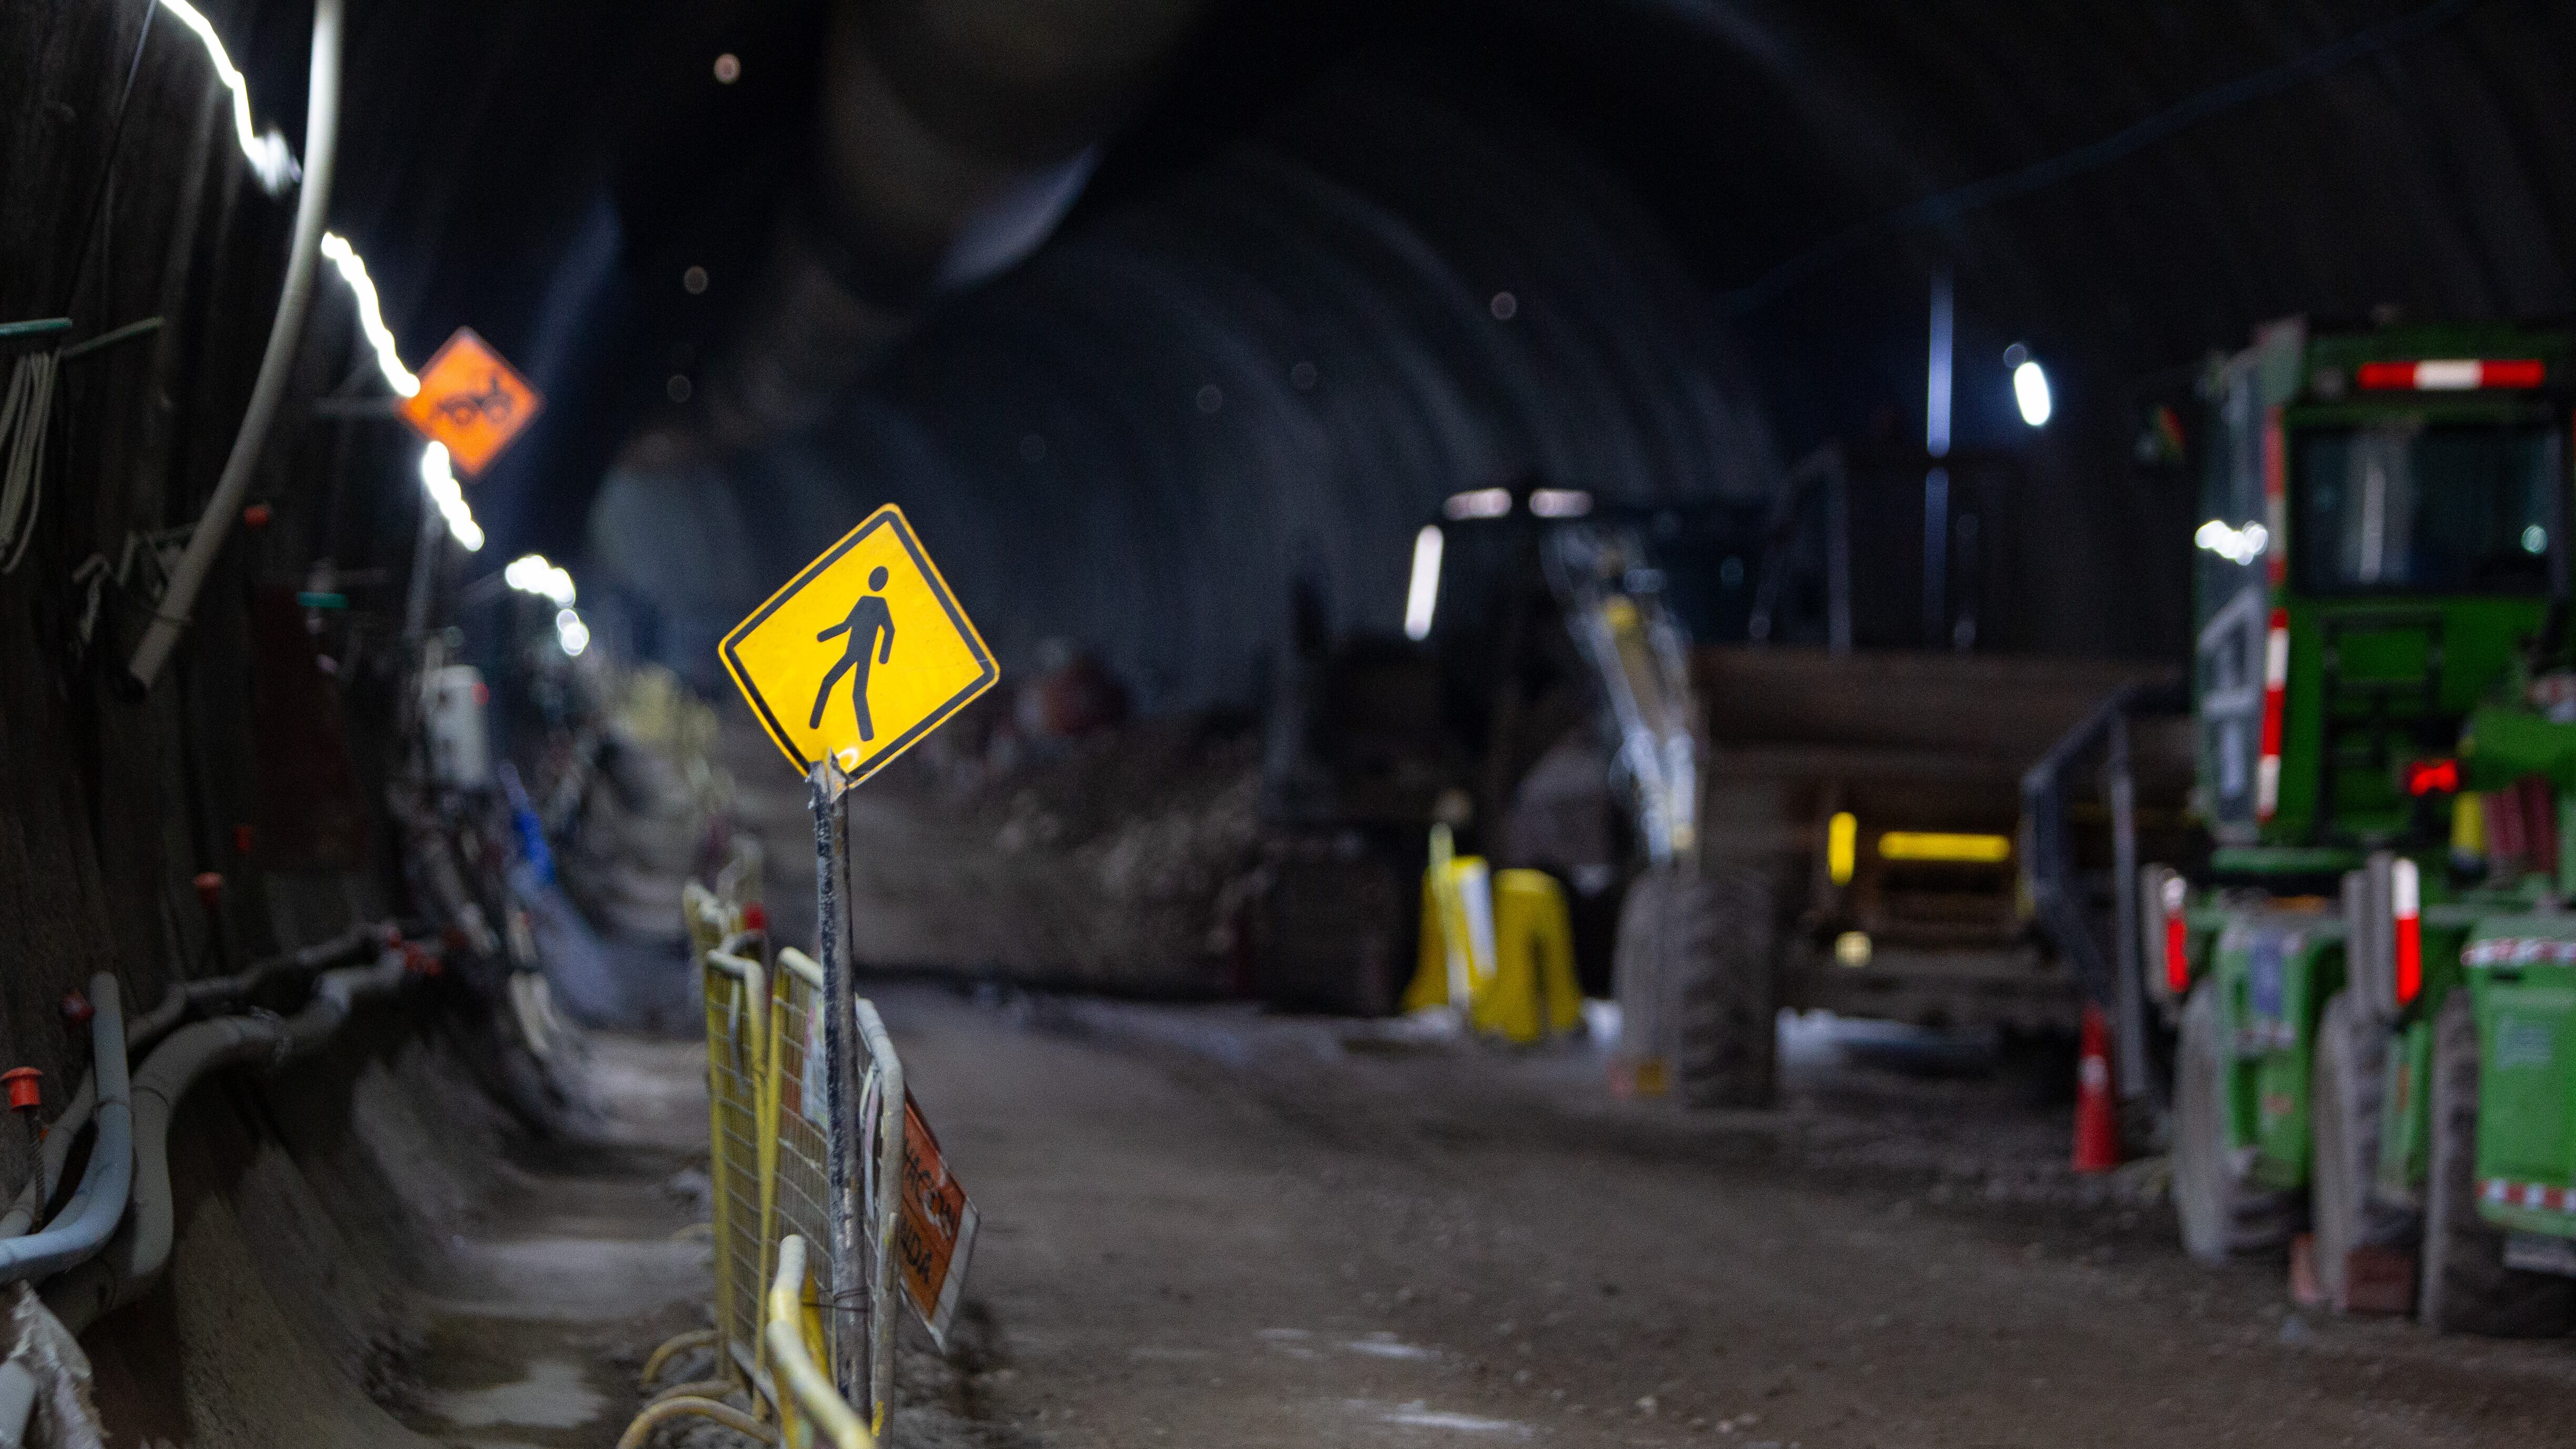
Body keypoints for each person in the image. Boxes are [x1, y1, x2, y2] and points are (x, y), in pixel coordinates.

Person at [810, 566, 895, 742]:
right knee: (828, 681)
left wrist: (883, 657)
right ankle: (814, 724)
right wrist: (824, 636)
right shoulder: (863, 601)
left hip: (865, 657)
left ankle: (867, 735)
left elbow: (890, 630)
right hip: (851, 653)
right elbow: (845, 625)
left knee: (858, 693)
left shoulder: (881, 605)